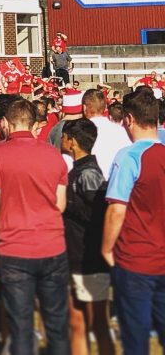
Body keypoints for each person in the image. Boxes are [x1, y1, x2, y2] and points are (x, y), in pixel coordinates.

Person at [0, 98, 69, 355]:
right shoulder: (54, 154)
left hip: (14, 249)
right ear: (33, 124)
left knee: (20, 327)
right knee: (56, 325)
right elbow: (60, 203)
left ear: (5, 123)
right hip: (52, 245)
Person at [101, 87, 165, 354]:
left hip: (136, 258)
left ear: (128, 119)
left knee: (135, 337)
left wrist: (106, 248)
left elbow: (117, 209)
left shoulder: (129, 156)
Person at [59, 119, 114, 355]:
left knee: (98, 324)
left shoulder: (88, 173)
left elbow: (97, 215)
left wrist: (67, 206)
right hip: (74, 255)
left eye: (63, 136)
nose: (60, 140)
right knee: (76, 322)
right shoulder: (79, 170)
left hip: (88, 258)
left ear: (71, 141)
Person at [81, 89, 130, 179]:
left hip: (88, 187)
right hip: (115, 184)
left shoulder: (79, 133)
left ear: (84, 108)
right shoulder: (121, 132)